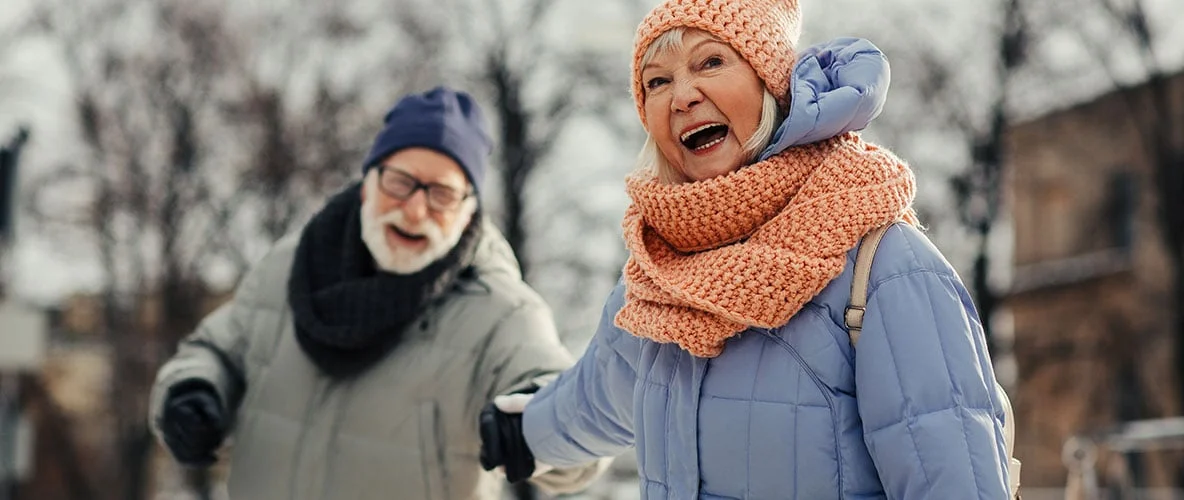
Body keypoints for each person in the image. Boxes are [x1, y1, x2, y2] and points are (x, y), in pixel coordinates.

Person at [477, 0, 1013, 498]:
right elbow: (595, 400)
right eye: (657, 81)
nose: (682, 95)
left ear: (771, 83)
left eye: (710, 62)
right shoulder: (658, 281)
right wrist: (520, 432)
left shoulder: (885, 269)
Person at [148, 86, 605, 500]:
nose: (414, 209)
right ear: (369, 181)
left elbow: (574, 411)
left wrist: (535, 426)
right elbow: (216, 351)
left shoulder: (502, 311)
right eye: (401, 182)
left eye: (442, 194)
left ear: (469, 211)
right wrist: (191, 392)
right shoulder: (291, 265)